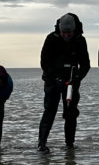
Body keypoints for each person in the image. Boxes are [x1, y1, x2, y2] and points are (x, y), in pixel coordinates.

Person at [37, 13, 91, 152]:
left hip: (72, 82)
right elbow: (44, 62)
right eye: (64, 33)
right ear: (59, 30)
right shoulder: (51, 39)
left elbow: (85, 64)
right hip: (52, 81)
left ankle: (69, 145)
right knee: (49, 111)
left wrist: (77, 78)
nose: (66, 35)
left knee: (71, 113)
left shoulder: (80, 40)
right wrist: (55, 79)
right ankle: (41, 144)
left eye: (69, 33)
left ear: (74, 30)